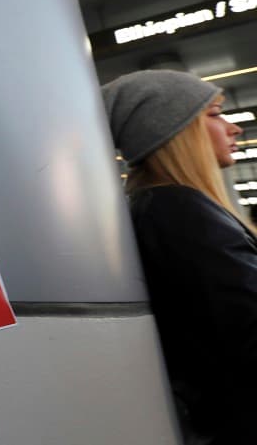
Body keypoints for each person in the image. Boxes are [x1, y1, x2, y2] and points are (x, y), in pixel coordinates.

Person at [101, 69, 257, 444]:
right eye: (216, 113)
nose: (233, 128)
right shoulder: (181, 211)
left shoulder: (157, 205)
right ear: (177, 131)